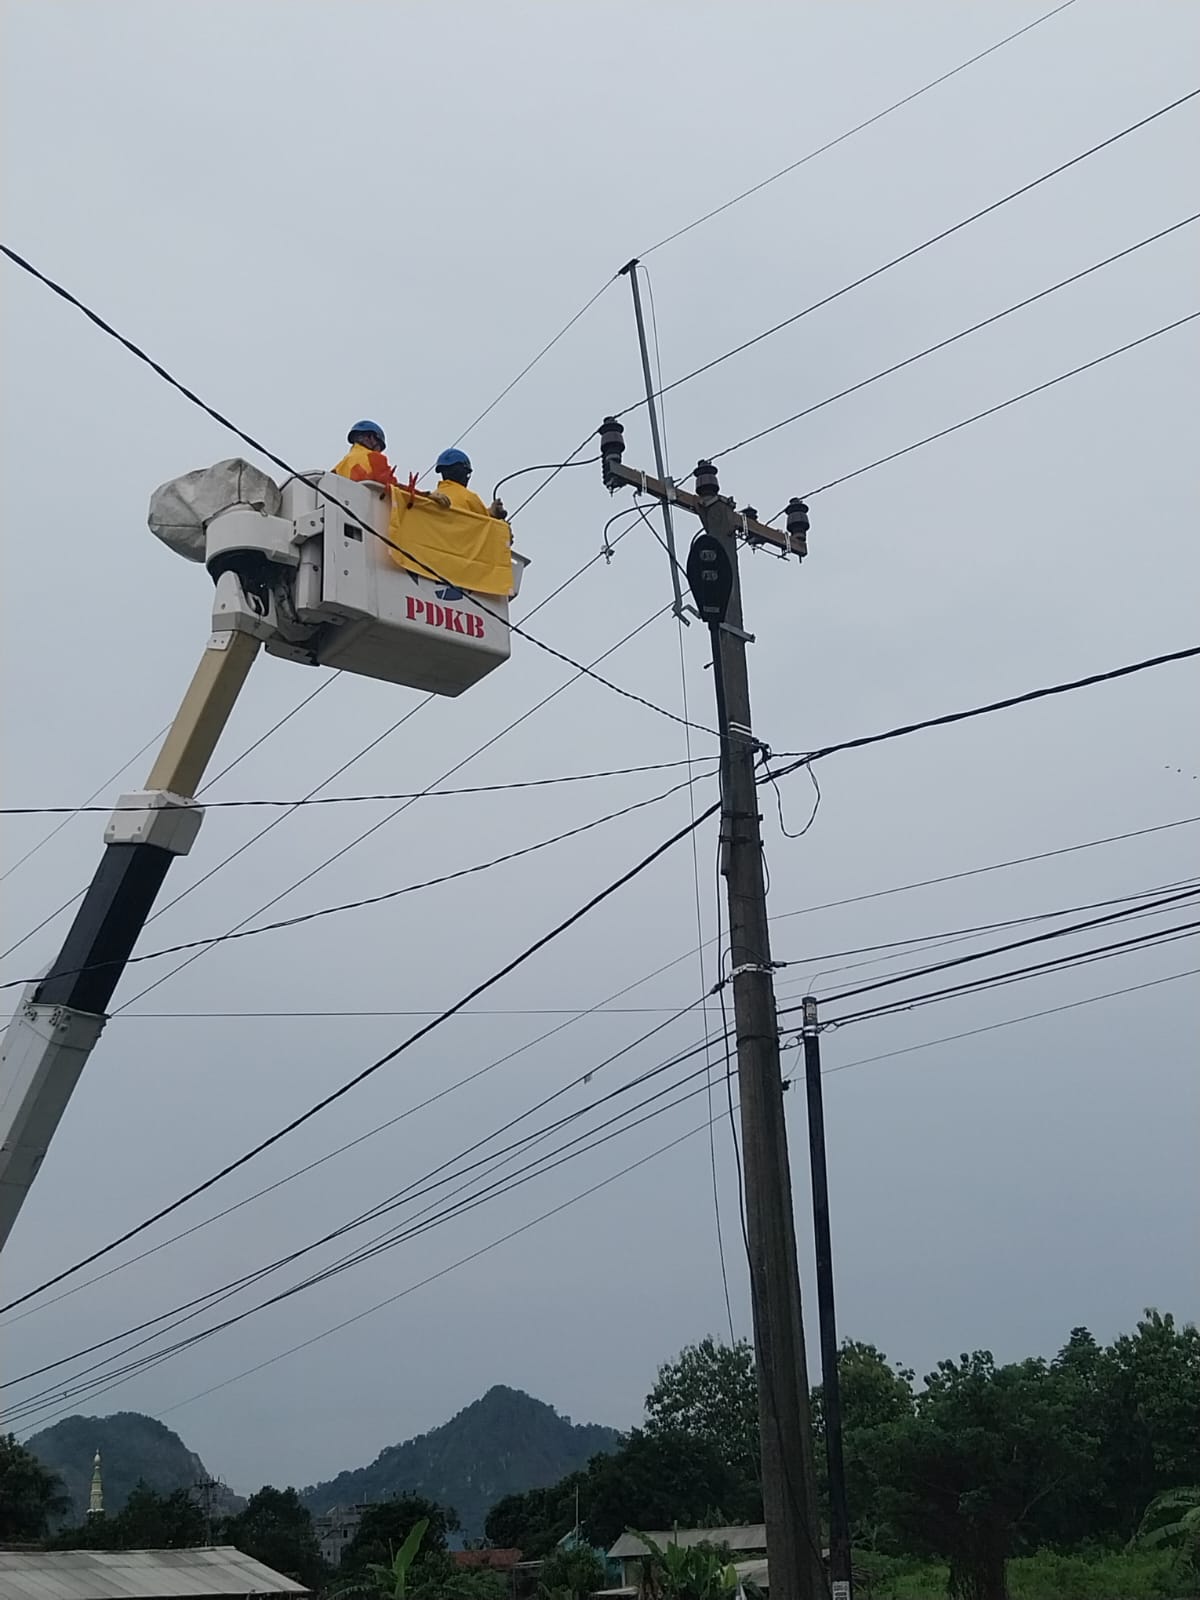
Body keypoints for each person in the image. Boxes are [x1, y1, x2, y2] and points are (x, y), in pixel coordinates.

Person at [434, 448, 507, 520]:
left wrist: (491, 512)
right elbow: (485, 524)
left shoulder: (434, 498)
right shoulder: (469, 498)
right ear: (464, 472)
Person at [334, 420, 399, 488]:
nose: (379, 450)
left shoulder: (340, 466)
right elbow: (389, 486)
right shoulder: (375, 458)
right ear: (370, 437)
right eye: (379, 445)